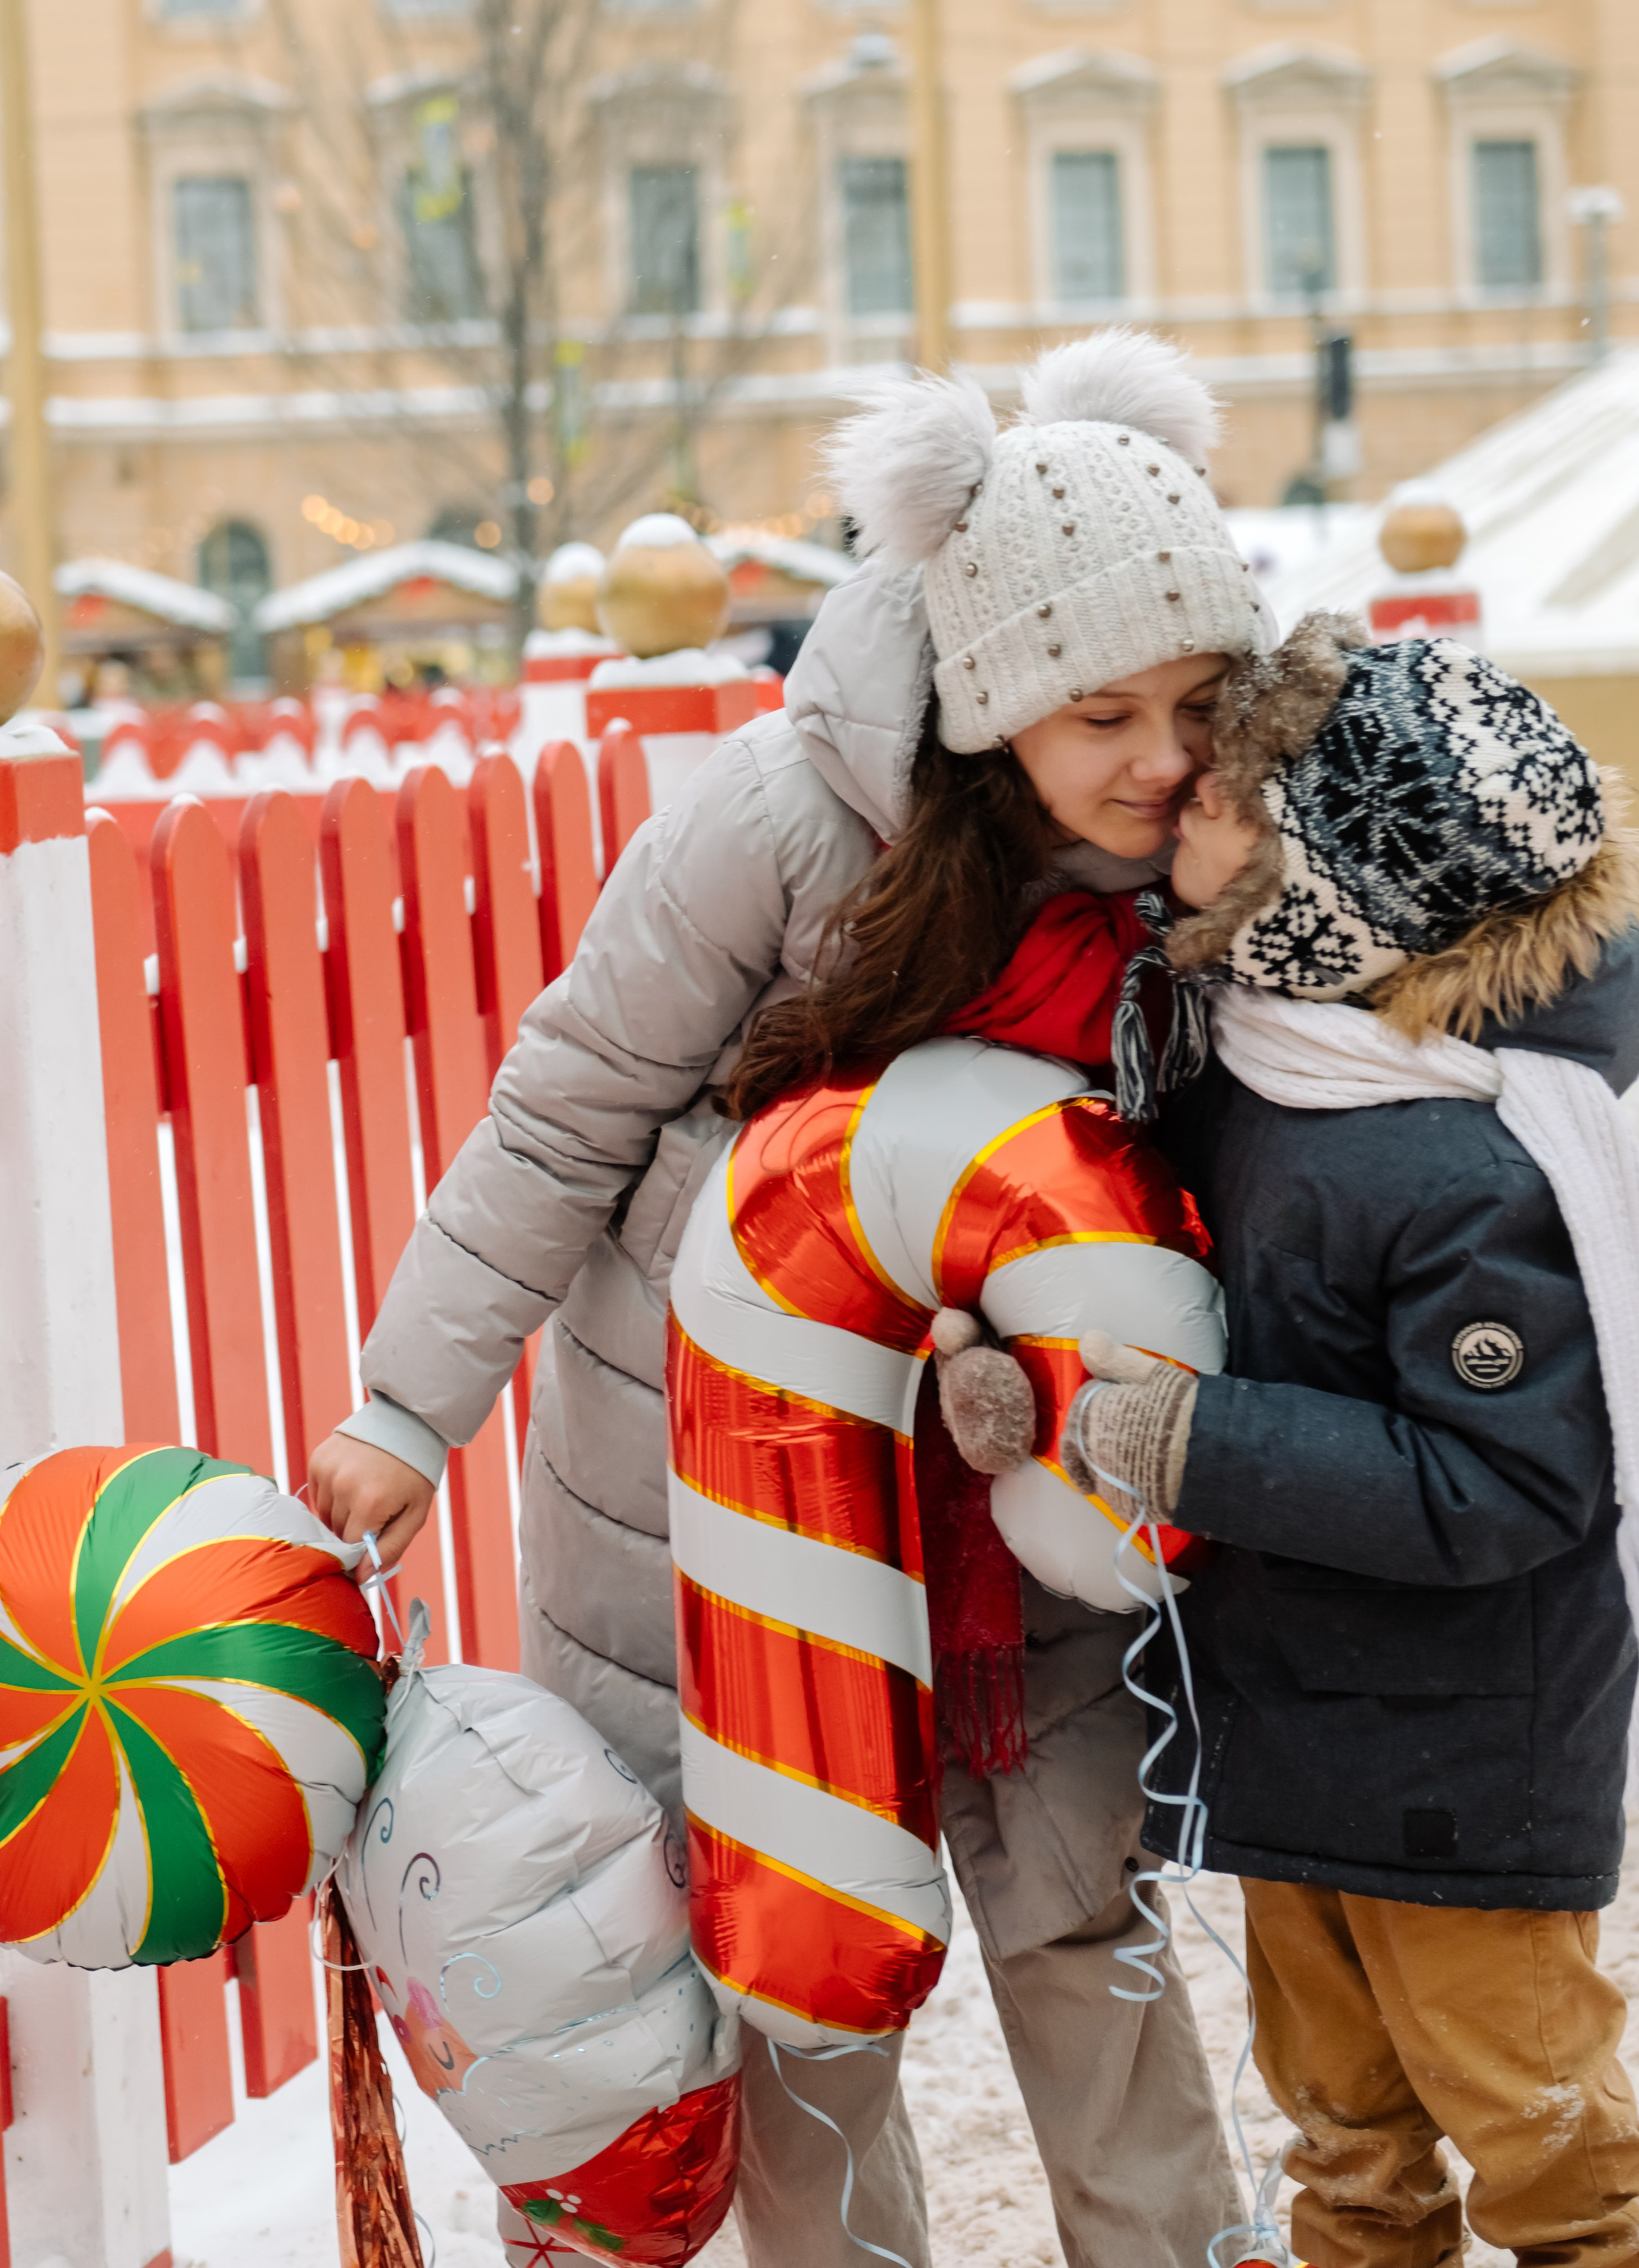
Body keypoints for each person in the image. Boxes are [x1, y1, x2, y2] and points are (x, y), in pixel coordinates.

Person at [307, 329, 1275, 2268]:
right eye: (1105, 715)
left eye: (1197, 702)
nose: (1162, 759)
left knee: (1085, 1920)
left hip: (1026, 1517)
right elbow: (564, 1107)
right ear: (991, 696)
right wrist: (407, 1406)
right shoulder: (781, 831)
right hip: (731, 1517)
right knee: (795, 1964)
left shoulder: (1202, 867)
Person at [1063, 612, 1639, 2268]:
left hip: (1463, 1761)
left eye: (1228, 793)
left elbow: (1504, 1482)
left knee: (1542, 2138)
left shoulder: (1465, 1169)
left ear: (1321, 885)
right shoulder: (1263, 1061)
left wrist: (1198, 1443)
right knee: (1345, 2139)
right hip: (1298, 1733)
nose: (1181, 788)